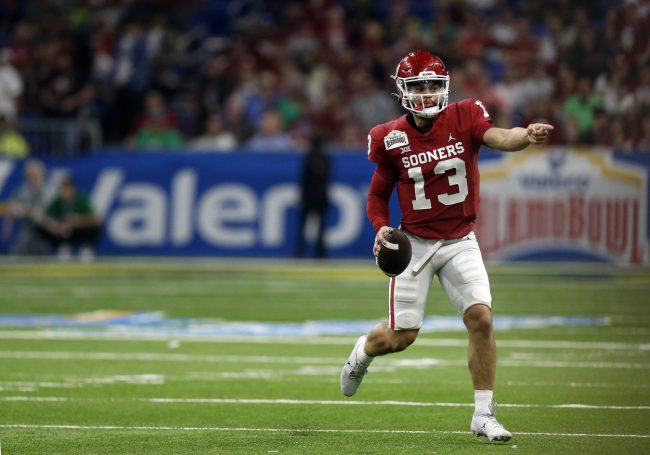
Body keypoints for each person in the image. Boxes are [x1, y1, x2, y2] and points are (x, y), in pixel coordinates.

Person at [339, 51, 553, 442]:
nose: (426, 93)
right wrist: (381, 226)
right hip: (415, 244)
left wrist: (525, 134)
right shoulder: (389, 137)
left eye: (433, 85)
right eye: (418, 86)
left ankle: (483, 414)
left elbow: (499, 137)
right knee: (401, 337)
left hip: (459, 239)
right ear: (403, 91)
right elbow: (376, 196)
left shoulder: (466, 114)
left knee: (481, 319)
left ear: (445, 87)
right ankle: (363, 352)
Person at [37, 174, 102, 261]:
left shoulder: (81, 200)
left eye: (66, 187)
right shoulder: (57, 201)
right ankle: (63, 247)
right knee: (41, 227)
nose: (63, 191)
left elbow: (97, 219)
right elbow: (44, 218)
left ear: (72, 188)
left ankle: (86, 248)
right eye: (62, 188)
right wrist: (55, 225)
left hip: (78, 230)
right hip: (62, 231)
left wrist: (77, 221)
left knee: (95, 228)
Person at [1, 159, 50, 255]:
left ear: (41, 175)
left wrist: (25, 210)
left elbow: (43, 210)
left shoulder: (47, 189)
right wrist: (7, 227)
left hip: (45, 227)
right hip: (27, 226)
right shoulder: (22, 190)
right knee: (22, 246)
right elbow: (12, 209)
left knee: (40, 249)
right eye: (29, 176)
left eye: (34, 175)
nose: (32, 178)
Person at [296, 133, 331, 258]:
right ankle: (320, 252)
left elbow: (304, 179)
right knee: (321, 226)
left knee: (303, 225)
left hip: (308, 196)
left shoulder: (308, 158)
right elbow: (327, 178)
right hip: (321, 195)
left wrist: (302, 196)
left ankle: (300, 252)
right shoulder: (326, 159)